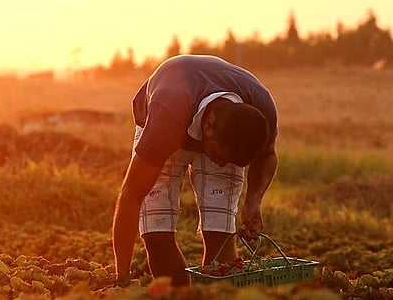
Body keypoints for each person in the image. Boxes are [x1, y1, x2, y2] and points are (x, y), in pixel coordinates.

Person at [112, 54, 279, 286]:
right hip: (169, 121)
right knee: (157, 234)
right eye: (219, 157)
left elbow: (268, 155)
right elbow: (131, 194)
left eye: (229, 162)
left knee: (220, 236)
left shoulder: (260, 110)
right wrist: (122, 276)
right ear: (208, 126)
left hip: (210, 125)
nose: (221, 164)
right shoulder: (165, 120)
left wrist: (253, 202)